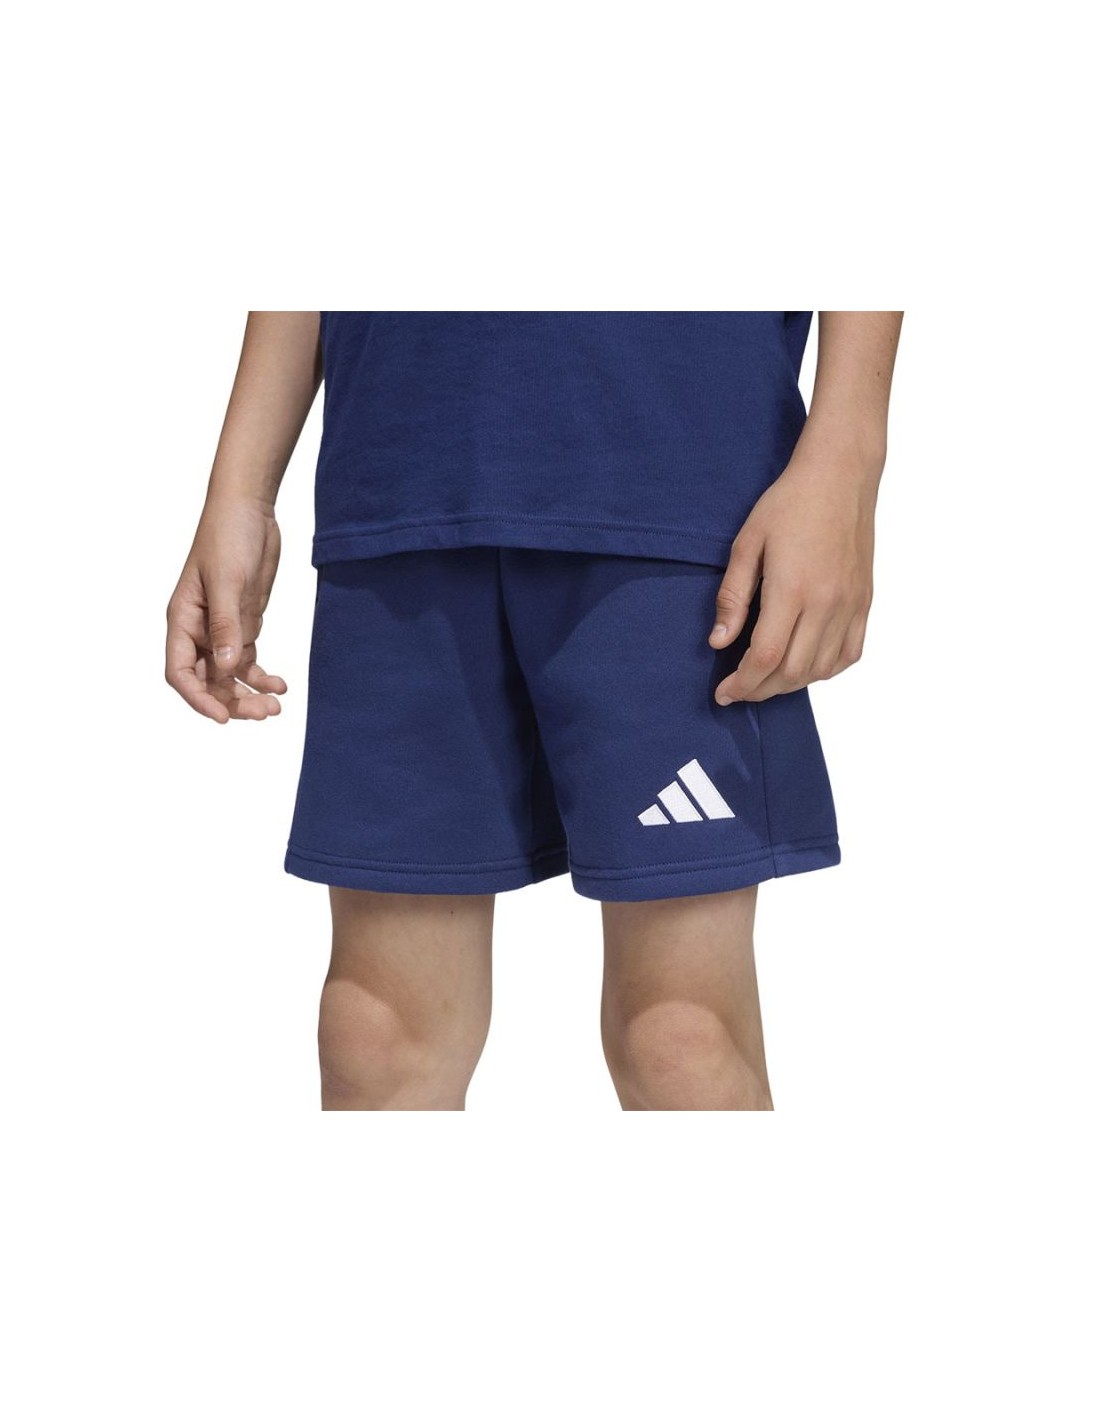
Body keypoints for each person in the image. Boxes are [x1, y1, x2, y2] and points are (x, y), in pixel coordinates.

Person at [165, 310, 903, 1112]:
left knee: (681, 1042)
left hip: (675, 478)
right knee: (375, 1040)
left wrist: (848, 455)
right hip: (399, 480)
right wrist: (240, 489)